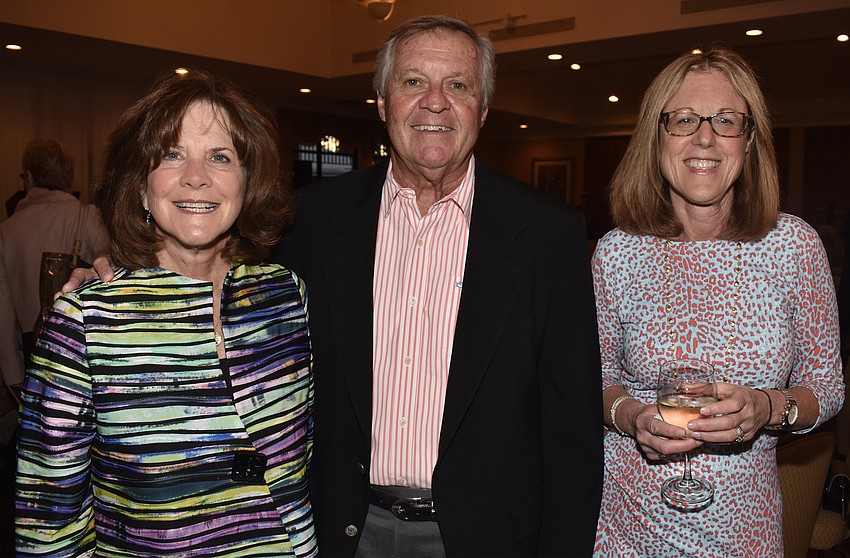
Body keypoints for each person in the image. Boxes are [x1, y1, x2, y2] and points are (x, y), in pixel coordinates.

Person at [65, 16, 603, 558]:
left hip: (491, 536)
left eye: (458, 85)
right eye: (413, 81)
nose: (434, 102)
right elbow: (214, 255)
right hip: (340, 530)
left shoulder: (548, 234)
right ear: (381, 101)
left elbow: (571, 428)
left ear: (483, 109)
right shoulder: (311, 222)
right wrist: (121, 271)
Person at [16, 69, 317, 557]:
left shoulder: (285, 296)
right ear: (139, 184)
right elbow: (49, 521)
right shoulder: (85, 321)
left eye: (220, 157)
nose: (196, 176)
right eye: (172, 154)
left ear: (247, 181)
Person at [592, 45, 844, 556]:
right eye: (683, 119)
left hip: (744, 532)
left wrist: (768, 407)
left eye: (727, 121)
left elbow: (828, 389)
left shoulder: (794, 246)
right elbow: (594, 383)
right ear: (656, 138)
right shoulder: (615, 252)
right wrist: (631, 417)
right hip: (628, 527)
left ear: (749, 140)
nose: (704, 137)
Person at [0, 139, 110, 398]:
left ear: (28, 176)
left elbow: (3, 313)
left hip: (31, 350)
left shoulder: (6, 231)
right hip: (84, 351)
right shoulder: (89, 217)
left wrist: (13, 377)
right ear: (68, 176)